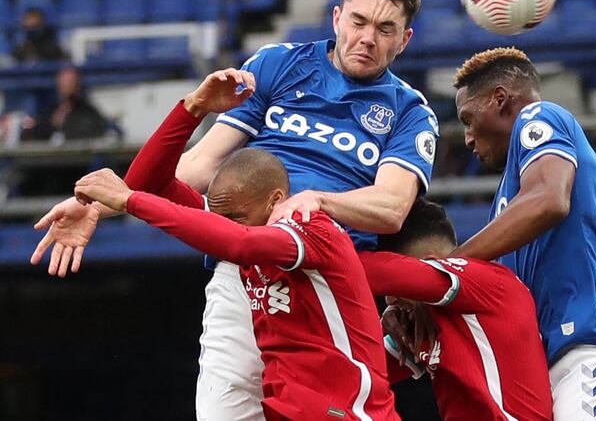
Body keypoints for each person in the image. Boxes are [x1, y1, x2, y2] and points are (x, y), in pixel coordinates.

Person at [31, 0, 438, 421]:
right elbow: (197, 168)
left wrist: (318, 200)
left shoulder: (410, 111)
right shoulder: (279, 64)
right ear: (337, 17)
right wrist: (101, 204)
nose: (367, 38)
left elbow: (390, 208)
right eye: (359, 21)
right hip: (244, 272)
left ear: (405, 40)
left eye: (386, 29)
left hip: (323, 284)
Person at [72, 68, 400, 420]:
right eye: (221, 216)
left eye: (237, 217)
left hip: (348, 410)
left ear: (276, 200)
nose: (225, 225)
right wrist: (193, 108)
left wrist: (129, 202)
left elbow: (238, 243)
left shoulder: (309, 226)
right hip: (295, 406)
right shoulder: (245, 222)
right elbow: (149, 182)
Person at [449, 47, 596, 420]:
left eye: (469, 118)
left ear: (500, 99)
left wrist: (452, 265)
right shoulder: (507, 204)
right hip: (559, 373)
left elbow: (550, 200)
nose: (467, 137)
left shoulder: (540, 116)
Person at [359, 198, 553, 420]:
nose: (390, 300)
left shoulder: (487, 280)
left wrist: (324, 226)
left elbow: (367, 270)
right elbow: (356, 370)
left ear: (431, 264)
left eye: (397, 288)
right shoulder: (424, 317)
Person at [20, 65, 110, 142]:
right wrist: (53, 125)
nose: (67, 88)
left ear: (78, 86)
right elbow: (34, 136)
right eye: (64, 84)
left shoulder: (89, 114)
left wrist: (66, 125)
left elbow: (96, 135)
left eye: (71, 83)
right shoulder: (49, 112)